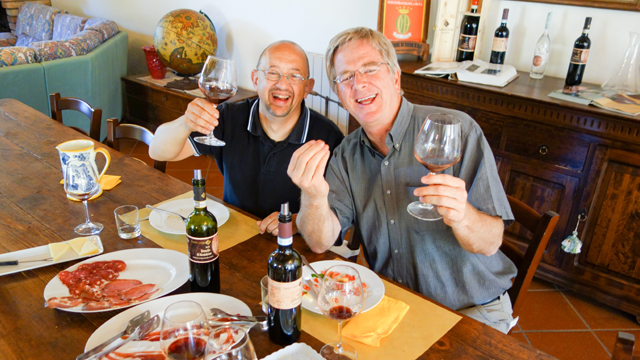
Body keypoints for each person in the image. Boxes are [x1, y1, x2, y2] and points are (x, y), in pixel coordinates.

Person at [287, 28, 518, 333]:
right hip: (395, 307)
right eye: (346, 77)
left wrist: (462, 216)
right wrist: (313, 195)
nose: (359, 83)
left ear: (395, 77)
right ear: (339, 94)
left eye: (370, 69)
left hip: (472, 312)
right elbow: (319, 242)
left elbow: (490, 243)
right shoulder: (346, 154)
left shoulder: (456, 131)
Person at [149, 41, 344, 236]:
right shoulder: (228, 117)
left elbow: (337, 218)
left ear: (307, 87)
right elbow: (157, 151)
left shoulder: (329, 138)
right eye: (272, 72)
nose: (282, 84)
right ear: (255, 78)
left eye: (294, 76)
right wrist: (185, 123)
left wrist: (296, 221)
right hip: (235, 235)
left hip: (297, 247)